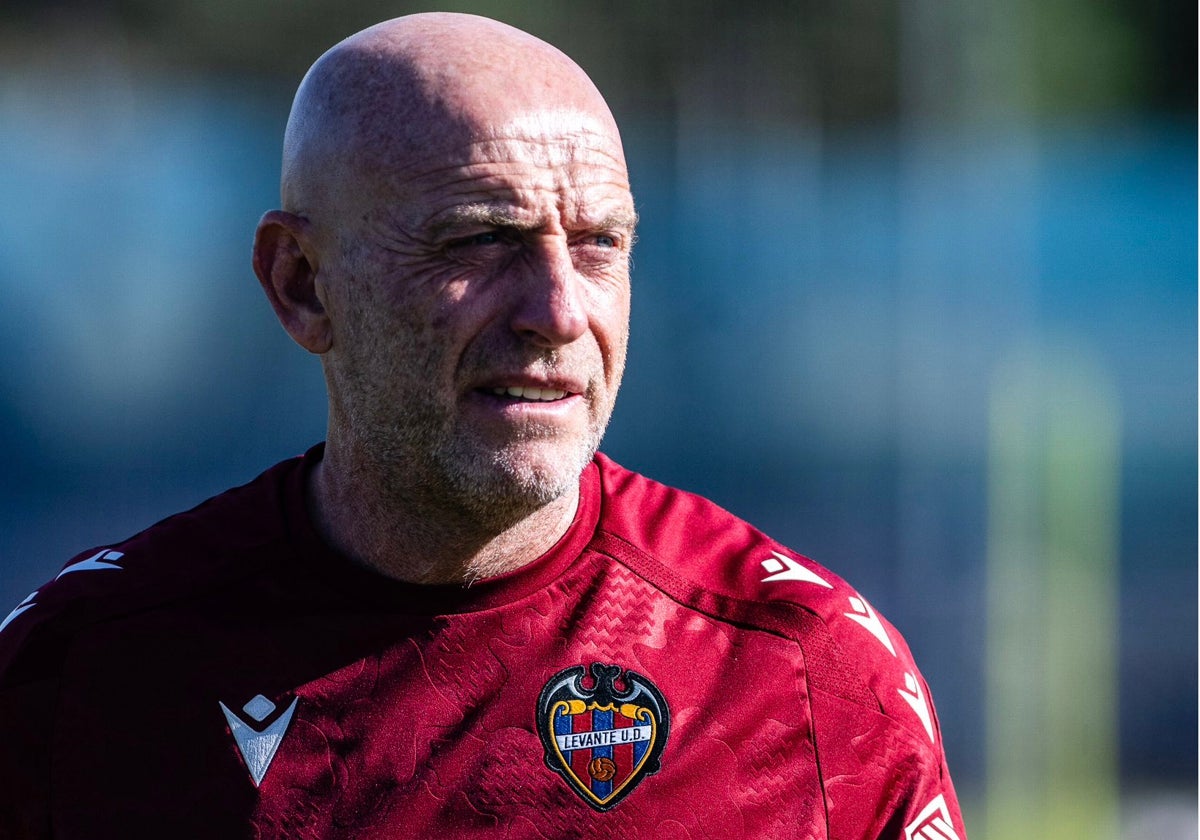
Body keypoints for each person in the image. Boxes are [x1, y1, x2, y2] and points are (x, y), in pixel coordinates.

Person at [0, 12, 966, 839]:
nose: (556, 310)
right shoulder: (81, 673)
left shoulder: (800, 671)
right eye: (478, 240)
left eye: (600, 245)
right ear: (300, 285)